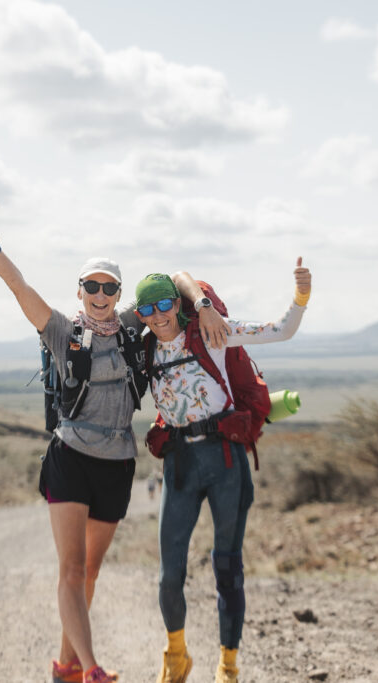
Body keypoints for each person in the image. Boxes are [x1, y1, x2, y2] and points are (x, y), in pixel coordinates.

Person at [0, 190, 229, 683]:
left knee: (90, 573)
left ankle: (65, 667)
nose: (101, 297)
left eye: (110, 289)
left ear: (120, 294)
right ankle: (91, 668)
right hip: (71, 457)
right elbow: (19, 288)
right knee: (70, 569)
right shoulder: (61, 331)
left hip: (117, 463)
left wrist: (204, 304)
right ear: (80, 289)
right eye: (92, 287)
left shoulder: (132, 327)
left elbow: (176, 279)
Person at [133, 260, 312, 683]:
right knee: (169, 572)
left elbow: (281, 330)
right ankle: (176, 655)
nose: (158, 315)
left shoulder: (212, 332)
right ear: (139, 314)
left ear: (177, 304)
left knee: (227, 566)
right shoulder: (142, 349)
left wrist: (301, 296)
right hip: (180, 463)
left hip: (225, 461)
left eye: (164, 304)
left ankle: (227, 666)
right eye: (147, 309)